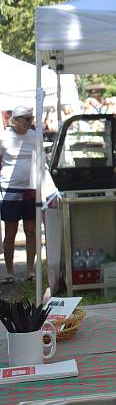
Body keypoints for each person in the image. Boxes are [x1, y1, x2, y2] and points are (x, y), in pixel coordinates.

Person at [0, 106, 38, 283]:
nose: (30, 122)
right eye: (26, 119)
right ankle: (9, 272)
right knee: (10, 233)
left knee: (31, 231)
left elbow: (41, 161)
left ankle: (30, 270)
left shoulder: (35, 136)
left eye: (31, 119)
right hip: (10, 189)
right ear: (15, 120)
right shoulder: (4, 137)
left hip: (30, 189)